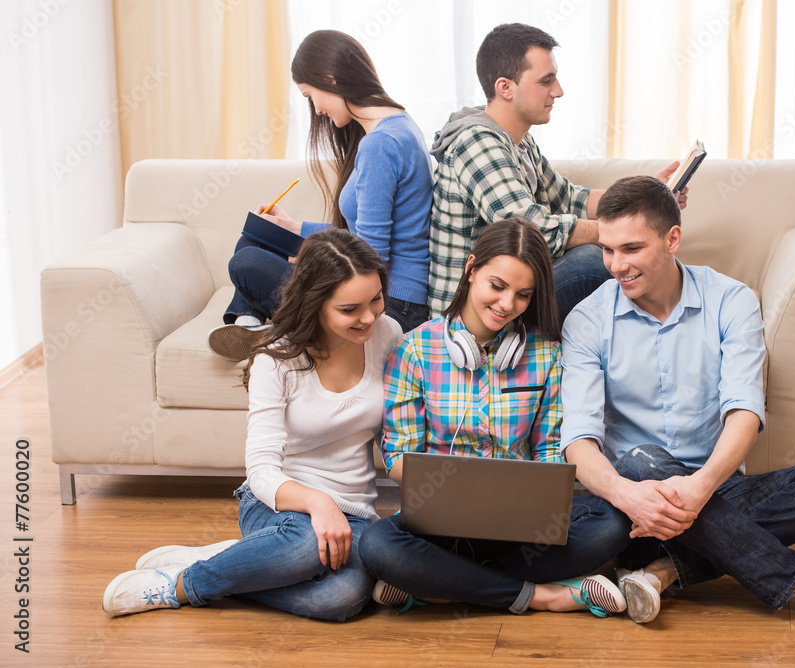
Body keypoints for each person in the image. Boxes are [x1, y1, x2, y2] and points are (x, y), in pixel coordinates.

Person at [559, 175, 795, 626]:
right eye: (608, 250)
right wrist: (626, 493)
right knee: (643, 460)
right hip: (636, 508)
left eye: (631, 248)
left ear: (672, 239)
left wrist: (700, 488)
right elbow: (578, 441)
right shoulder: (587, 320)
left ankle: (664, 571)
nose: (616, 265)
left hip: (714, 489)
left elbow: (744, 412)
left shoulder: (731, 301)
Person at [103, 229, 403, 620]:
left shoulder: (387, 335)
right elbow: (261, 471)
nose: (369, 317)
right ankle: (182, 585)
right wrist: (318, 502)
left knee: (340, 599)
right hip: (278, 503)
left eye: (375, 299)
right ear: (315, 304)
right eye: (350, 309)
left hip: (354, 512)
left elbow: (396, 431)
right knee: (305, 545)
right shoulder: (276, 360)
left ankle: (241, 561)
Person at [358, 218, 633, 617]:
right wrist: (458, 489)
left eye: (523, 295)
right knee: (377, 545)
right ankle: (542, 595)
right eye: (497, 286)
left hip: (520, 528)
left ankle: (438, 585)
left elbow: (550, 451)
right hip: (439, 527)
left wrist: (537, 497)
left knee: (612, 524)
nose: (507, 304)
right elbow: (398, 456)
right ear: (471, 269)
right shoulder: (414, 349)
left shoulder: (546, 354)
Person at [428, 23, 689, 322]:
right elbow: (533, 230)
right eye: (546, 81)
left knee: (629, 253)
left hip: (513, 291)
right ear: (505, 87)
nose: (558, 91)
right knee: (594, 261)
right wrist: (619, 231)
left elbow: (570, 198)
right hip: (475, 311)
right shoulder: (477, 143)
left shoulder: (519, 140)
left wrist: (648, 197)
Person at [210, 29, 432, 361]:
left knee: (246, 262)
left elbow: (371, 258)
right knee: (254, 238)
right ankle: (250, 323)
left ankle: (256, 322)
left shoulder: (380, 144)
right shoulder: (397, 125)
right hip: (386, 292)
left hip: (391, 306)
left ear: (330, 79)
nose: (315, 110)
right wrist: (294, 228)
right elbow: (358, 235)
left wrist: (308, 263)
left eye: (310, 96)